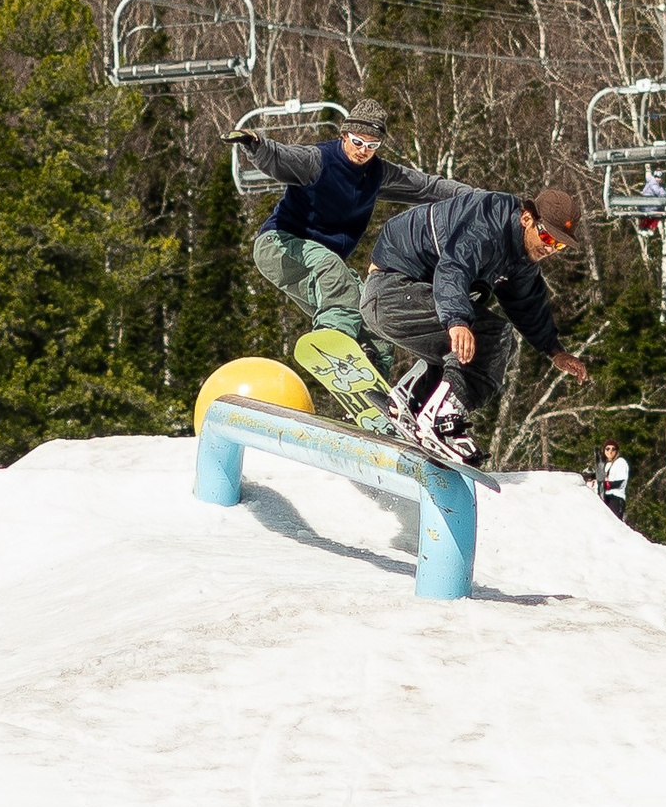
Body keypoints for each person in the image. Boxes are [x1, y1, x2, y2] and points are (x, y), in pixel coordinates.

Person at [225, 98, 476, 377]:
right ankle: (332, 340)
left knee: (369, 307)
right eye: (357, 142)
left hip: (318, 261)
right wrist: (255, 144)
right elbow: (281, 158)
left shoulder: (378, 174)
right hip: (280, 244)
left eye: (372, 146)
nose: (363, 151)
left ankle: (374, 383)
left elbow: (428, 186)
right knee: (333, 271)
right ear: (344, 135)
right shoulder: (318, 161)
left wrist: (479, 199)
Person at [360, 183, 592, 465]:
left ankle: (415, 399)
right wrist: (457, 320)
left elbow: (527, 304)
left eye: (558, 245)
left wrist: (554, 350)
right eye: (546, 236)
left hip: (405, 295)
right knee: (488, 335)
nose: (549, 248)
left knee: (472, 338)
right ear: (527, 218)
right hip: (391, 293)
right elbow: (453, 268)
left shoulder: (520, 256)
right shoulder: (487, 222)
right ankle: (444, 417)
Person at [596, 441, 630, 521]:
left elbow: (620, 482)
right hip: (605, 497)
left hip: (616, 498)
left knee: (613, 522)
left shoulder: (620, 462)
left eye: (613, 449)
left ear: (617, 451)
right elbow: (600, 481)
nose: (610, 451)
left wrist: (605, 485)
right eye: (607, 449)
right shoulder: (606, 464)